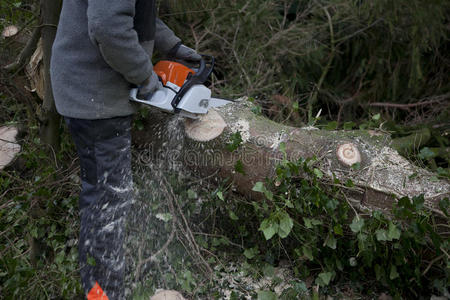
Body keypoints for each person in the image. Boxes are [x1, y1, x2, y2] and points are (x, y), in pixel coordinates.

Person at [50, 1, 201, 299]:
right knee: (108, 204)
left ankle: (99, 290)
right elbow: (108, 27)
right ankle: (103, 294)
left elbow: (133, 15)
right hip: (94, 97)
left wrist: (172, 46)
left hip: (91, 91)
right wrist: (145, 76)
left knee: (102, 199)